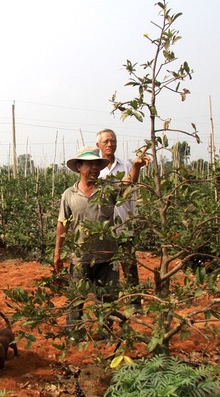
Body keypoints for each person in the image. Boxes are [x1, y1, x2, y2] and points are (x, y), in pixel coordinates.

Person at [53, 146, 118, 330]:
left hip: (107, 256)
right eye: (90, 164)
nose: (95, 168)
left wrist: (136, 167)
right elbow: (62, 224)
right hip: (80, 257)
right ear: (79, 167)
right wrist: (57, 252)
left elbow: (130, 186)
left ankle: (106, 334)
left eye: (97, 164)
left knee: (108, 299)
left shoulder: (109, 190)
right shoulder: (69, 194)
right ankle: (73, 333)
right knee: (76, 299)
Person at [96, 128, 148, 309]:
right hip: (103, 230)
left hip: (125, 225)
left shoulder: (126, 166)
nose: (110, 144)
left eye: (113, 141)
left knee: (129, 266)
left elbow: (130, 184)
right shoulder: (95, 171)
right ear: (98, 146)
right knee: (107, 268)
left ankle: (135, 304)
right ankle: (110, 303)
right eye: (106, 141)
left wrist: (136, 167)